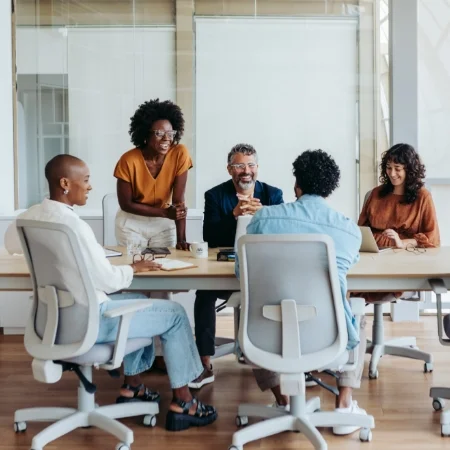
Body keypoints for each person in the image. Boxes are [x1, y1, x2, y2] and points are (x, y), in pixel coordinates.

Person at [5, 154, 217, 432]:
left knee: (138, 301)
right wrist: (134, 267)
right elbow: (107, 280)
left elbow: (11, 243)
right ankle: (184, 402)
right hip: (91, 321)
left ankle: (133, 386)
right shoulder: (75, 226)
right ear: (65, 183)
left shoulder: (31, 216)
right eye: (86, 180)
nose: (90, 186)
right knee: (175, 314)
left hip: (51, 322)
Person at [239, 149, 368, 436]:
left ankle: (282, 401)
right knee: (355, 309)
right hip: (327, 338)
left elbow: (241, 274)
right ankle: (344, 405)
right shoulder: (348, 231)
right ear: (330, 189)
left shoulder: (262, 220)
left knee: (253, 307)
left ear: (297, 186)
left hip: (265, 339)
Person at [190, 143, 283, 389]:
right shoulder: (215, 195)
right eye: (240, 165)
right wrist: (234, 214)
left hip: (263, 271)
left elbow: (282, 233)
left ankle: (282, 360)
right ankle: (204, 362)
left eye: (251, 165)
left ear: (257, 168)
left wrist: (264, 215)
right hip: (226, 268)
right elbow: (210, 236)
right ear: (229, 169)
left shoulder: (273, 194)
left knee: (287, 294)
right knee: (204, 294)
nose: (246, 171)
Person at [358, 143, 440, 303]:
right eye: (388, 167)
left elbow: (433, 239)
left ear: (409, 169)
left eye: (397, 168)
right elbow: (360, 231)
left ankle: (354, 313)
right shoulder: (376, 194)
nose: (392, 173)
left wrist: (402, 243)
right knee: (343, 282)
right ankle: (353, 317)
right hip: (373, 258)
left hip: (405, 262)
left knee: (355, 293)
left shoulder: (423, 197)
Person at [114, 99, 192, 250]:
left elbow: (178, 202)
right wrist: (165, 212)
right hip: (132, 223)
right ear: (145, 134)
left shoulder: (180, 153)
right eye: (159, 133)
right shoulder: (128, 160)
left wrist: (182, 239)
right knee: (135, 267)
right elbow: (126, 204)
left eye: (170, 133)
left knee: (165, 267)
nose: (166, 139)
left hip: (163, 223)